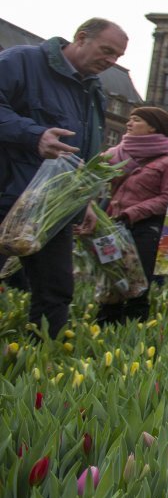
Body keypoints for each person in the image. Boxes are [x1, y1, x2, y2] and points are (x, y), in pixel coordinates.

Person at [0, 18, 128, 339]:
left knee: (56, 290)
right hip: (9, 191)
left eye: (118, 57)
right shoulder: (23, 61)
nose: (111, 61)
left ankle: (41, 358)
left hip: (54, 204)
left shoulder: (95, 91)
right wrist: (35, 135)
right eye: (107, 51)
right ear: (81, 38)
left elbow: (82, 153)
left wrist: (83, 199)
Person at [98, 107, 168, 324]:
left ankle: (132, 340)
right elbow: (87, 181)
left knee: (137, 289)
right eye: (129, 119)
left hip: (146, 229)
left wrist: (131, 213)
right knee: (111, 285)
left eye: (135, 120)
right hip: (112, 227)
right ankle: (104, 334)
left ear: (153, 126)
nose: (129, 123)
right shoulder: (113, 154)